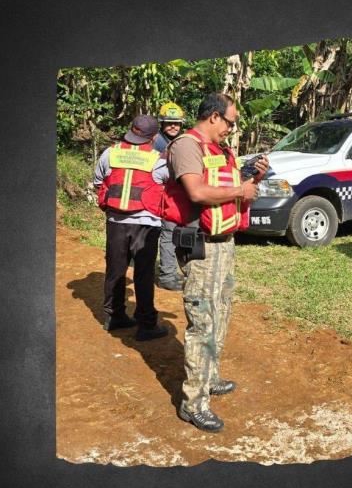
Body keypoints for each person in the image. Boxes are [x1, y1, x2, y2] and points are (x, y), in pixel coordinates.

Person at [162, 93, 268, 432]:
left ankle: (210, 378)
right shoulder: (185, 146)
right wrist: (240, 192)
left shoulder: (222, 152)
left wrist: (253, 181)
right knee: (202, 323)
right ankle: (193, 404)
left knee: (221, 314)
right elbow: (197, 192)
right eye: (230, 122)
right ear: (213, 117)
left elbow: (232, 189)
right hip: (201, 247)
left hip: (224, 243)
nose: (231, 129)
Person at [93, 115, 169, 341]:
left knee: (115, 269)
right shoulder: (158, 159)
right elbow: (170, 185)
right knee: (144, 273)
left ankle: (114, 316)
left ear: (131, 131)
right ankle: (146, 325)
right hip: (146, 224)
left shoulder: (110, 153)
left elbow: (99, 182)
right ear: (154, 137)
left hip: (116, 222)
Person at [154, 102, 186, 291]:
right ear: (161, 123)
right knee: (168, 236)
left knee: (175, 235)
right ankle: (167, 275)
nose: (173, 126)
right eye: (169, 123)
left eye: (176, 123)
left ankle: (171, 272)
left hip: (175, 196)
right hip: (163, 197)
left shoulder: (179, 141)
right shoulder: (157, 143)